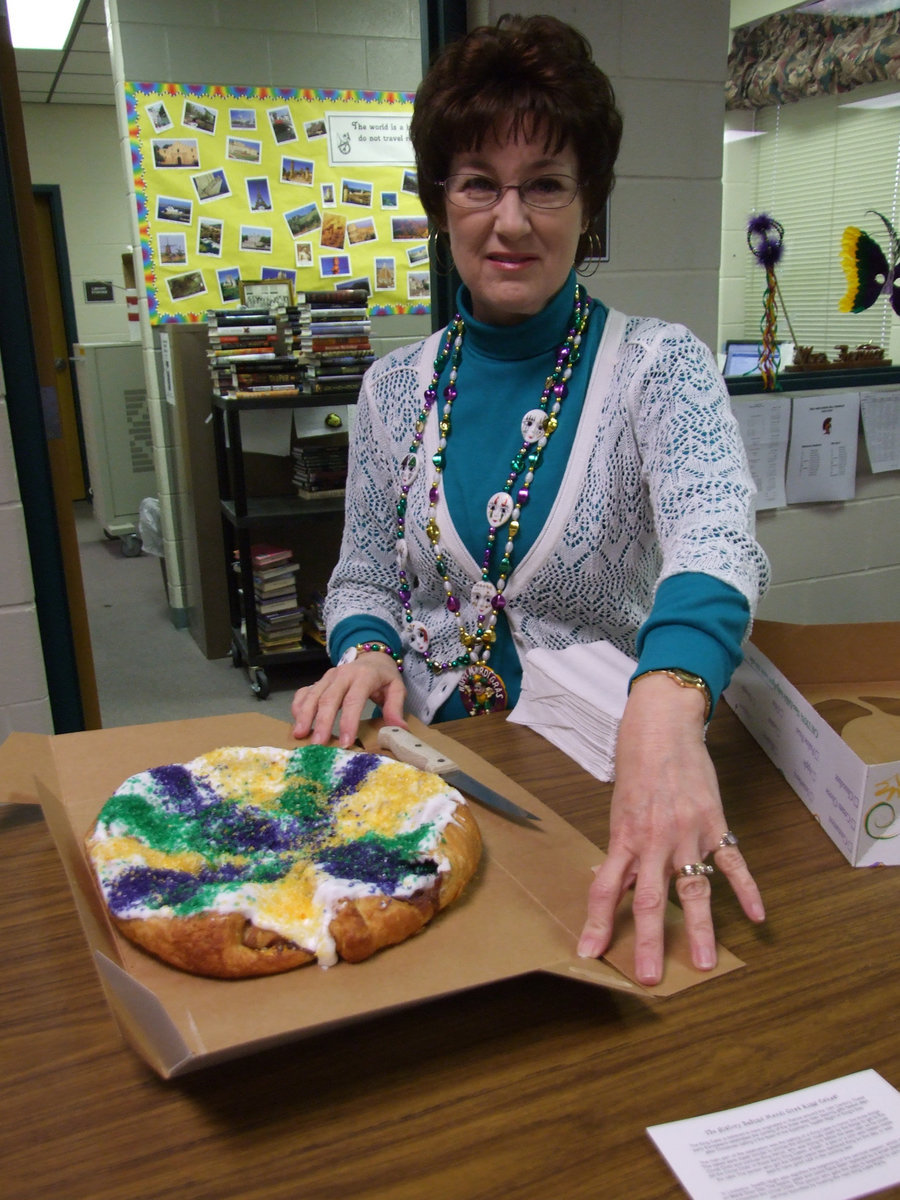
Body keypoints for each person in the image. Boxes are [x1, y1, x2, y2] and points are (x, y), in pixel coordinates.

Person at [292, 13, 769, 987]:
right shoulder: (393, 390)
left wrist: (670, 702)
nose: (510, 221)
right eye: (478, 184)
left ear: (587, 204)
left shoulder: (656, 365)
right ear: (440, 202)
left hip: (607, 779)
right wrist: (364, 647)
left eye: (546, 185)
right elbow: (360, 578)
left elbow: (716, 538)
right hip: (433, 773)